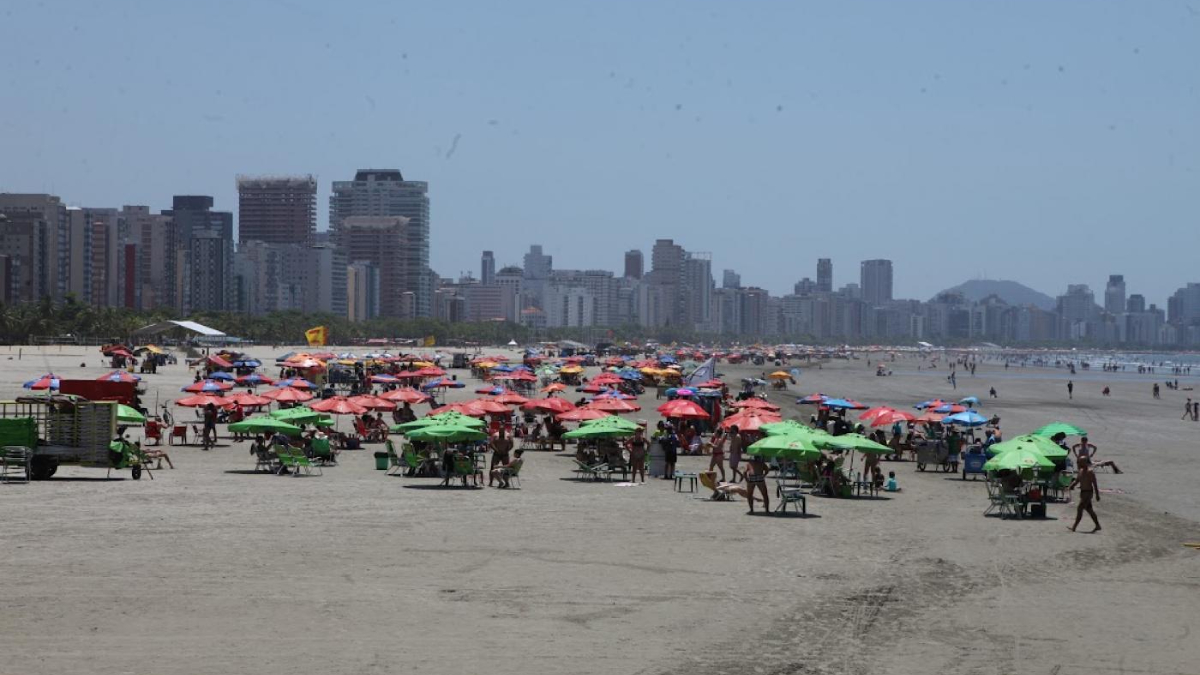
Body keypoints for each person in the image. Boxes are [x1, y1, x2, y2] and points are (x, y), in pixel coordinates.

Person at [1068, 457, 1101, 533]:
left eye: (1080, 462)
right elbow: (1077, 481)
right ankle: (1097, 525)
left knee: (1080, 508)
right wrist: (1070, 486)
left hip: (1088, 493)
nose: (1079, 463)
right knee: (1089, 510)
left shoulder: (1090, 472)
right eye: (1079, 462)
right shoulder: (1080, 471)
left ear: (1085, 462)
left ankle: (1074, 527)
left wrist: (1097, 495)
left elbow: (1095, 484)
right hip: (1083, 492)